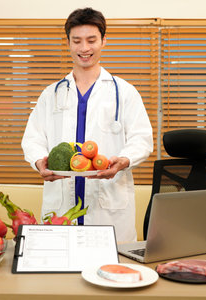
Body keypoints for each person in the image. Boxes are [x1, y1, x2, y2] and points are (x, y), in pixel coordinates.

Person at [21, 7, 153, 242]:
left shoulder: (124, 92)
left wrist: (122, 160)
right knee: (59, 271)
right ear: (68, 43)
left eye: (91, 40)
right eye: (77, 41)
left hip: (109, 207)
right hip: (61, 207)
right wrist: (39, 160)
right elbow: (33, 138)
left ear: (104, 41)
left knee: (111, 271)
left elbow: (141, 139)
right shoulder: (51, 94)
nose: (84, 48)